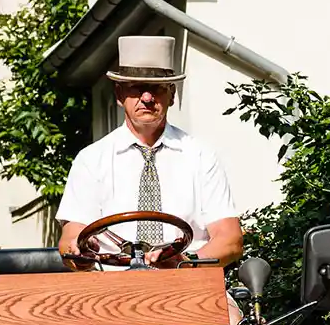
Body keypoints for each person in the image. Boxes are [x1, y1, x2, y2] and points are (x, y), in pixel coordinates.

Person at [56, 35, 243, 269]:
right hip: (113, 289)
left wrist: (185, 262)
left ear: (172, 94)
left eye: (156, 88)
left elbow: (231, 240)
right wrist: (79, 251)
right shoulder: (91, 160)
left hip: (189, 284)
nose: (146, 98)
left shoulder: (201, 156)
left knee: (229, 308)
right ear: (119, 94)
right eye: (136, 88)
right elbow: (70, 239)